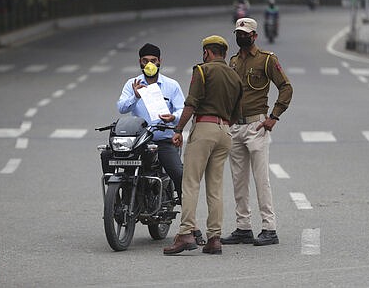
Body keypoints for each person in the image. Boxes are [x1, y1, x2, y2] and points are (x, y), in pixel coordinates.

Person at [116, 43, 206, 245]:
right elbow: (121, 107)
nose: (149, 64)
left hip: (163, 139)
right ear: (140, 62)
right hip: (138, 141)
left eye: (153, 61)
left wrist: (171, 119)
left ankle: (192, 226)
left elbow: (182, 110)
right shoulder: (132, 84)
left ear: (160, 62)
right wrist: (135, 95)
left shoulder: (171, 85)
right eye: (145, 61)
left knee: (180, 175)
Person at [163, 36, 243, 255]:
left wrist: (178, 129)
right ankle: (214, 239)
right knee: (215, 188)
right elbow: (238, 113)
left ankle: (186, 233)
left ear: (207, 52)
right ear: (224, 54)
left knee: (190, 183)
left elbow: (191, 103)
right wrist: (222, 125)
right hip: (225, 132)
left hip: (204, 129)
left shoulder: (202, 70)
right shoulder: (235, 77)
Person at [222, 17, 293, 247]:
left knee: (261, 180)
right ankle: (243, 228)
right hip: (235, 127)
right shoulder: (232, 62)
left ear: (254, 36)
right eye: (238, 33)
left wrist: (274, 117)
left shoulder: (266, 60)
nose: (240, 36)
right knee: (238, 181)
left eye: (245, 33)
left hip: (257, 125)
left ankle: (269, 228)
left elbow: (286, 87)